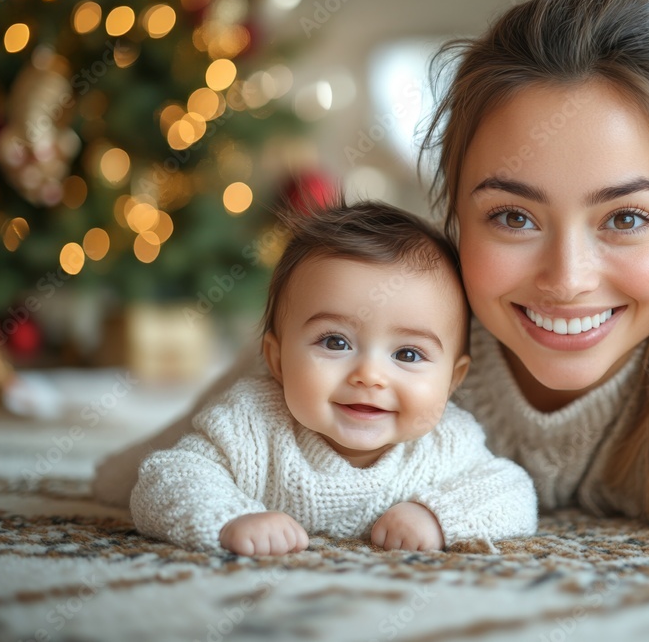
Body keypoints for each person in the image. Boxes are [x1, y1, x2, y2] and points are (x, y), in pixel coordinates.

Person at [100, 0, 649, 531]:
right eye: (513, 215)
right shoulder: (406, 310)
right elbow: (135, 475)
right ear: (453, 217)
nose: (567, 277)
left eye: (624, 216)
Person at [129, 200, 538, 555]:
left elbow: (513, 492)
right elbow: (164, 478)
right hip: (176, 447)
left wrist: (436, 516)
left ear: (452, 380)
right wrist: (229, 519)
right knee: (120, 476)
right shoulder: (251, 424)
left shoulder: (446, 444)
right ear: (277, 359)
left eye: (408, 354)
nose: (369, 376)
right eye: (336, 343)